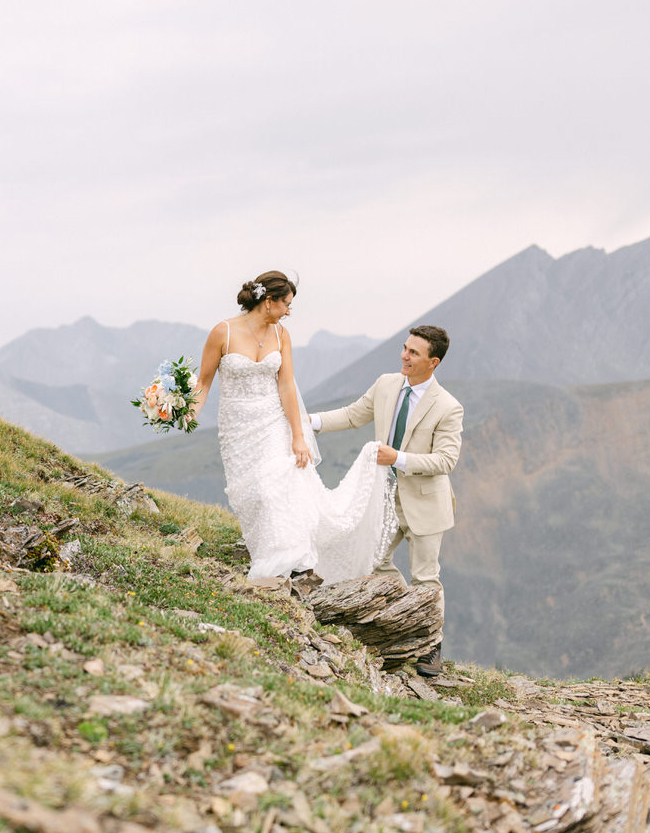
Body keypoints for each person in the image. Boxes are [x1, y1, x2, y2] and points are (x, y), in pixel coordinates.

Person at [191, 272, 394, 590]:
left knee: (277, 487)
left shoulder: (281, 334)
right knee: (254, 494)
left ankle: (292, 566)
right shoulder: (223, 332)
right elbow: (203, 382)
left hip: (274, 421)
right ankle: (271, 554)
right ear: (268, 301)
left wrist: (298, 435)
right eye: (286, 304)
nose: (288, 311)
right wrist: (186, 411)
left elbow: (286, 385)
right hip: (238, 428)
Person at [309, 325, 463, 678]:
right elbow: (351, 415)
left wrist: (398, 458)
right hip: (383, 497)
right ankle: (404, 622)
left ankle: (430, 648)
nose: (404, 356)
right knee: (376, 561)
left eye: (414, 353)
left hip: (426, 504)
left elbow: (446, 461)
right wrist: (308, 423)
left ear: (433, 362)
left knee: (426, 577)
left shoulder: (448, 407)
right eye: (404, 348)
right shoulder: (386, 384)